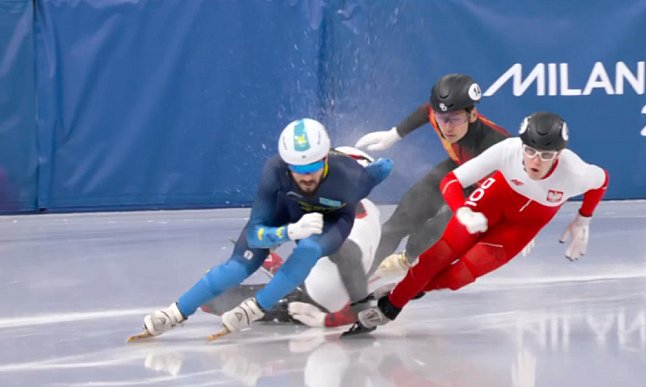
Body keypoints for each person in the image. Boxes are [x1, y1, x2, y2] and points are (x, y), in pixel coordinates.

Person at [346, 111, 609, 335]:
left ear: (559, 154)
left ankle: (407, 287)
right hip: (492, 203)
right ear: (521, 145)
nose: (535, 162)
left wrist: (583, 220)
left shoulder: (575, 173)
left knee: (458, 277)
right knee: (435, 257)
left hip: (522, 227)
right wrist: (461, 211)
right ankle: (388, 310)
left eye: (546, 155)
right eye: (529, 151)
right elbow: (450, 181)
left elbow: (602, 181)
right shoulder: (508, 151)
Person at [133, 118, 393, 340]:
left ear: (326, 159)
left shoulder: (352, 180)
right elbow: (257, 233)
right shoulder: (274, 171)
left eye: (313, 167)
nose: (306, 177)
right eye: (297, 169)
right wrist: (286, 233)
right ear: (286, 164)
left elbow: (381, 170)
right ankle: (175, 312)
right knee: (237, 266)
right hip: (287, 213)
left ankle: (257, 307)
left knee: (309, 250)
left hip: (329, 221)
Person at [200, 147, 394, 328]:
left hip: (313, 299)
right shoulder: (371, 210)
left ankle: (276, 272)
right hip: (325, 284)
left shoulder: (325, 209)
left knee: (211, 300)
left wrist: (349, 313)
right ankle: (279, 269)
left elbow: (349, 254)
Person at [354, 73, 510, 277]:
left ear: (473, 115)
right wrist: (394, 134)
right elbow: (426, 111)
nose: (447, 127)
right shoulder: (438, 116)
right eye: (442, 118)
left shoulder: (499, 145)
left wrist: (516, 220)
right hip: (456, 168)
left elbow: (525, 178)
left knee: (429, 235)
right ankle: (356, 281)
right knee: (397, 224)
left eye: (455, 118)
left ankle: (410, 260)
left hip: (484, 191)